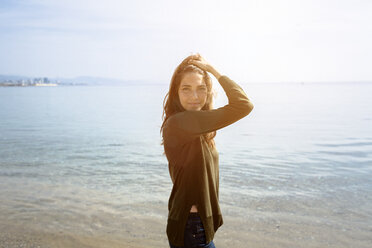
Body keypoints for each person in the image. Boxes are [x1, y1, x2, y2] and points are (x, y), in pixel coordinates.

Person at [161, 53, 254, 248]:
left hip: (195, 225)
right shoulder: (179, 123)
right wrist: (213, 70)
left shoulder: (197, 126)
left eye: (201, 88)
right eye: (186, 89)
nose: (194, 97)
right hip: (192, 228)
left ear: (208, 91)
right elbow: (243, 105)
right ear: (176, 92)